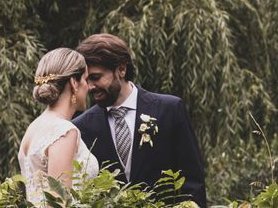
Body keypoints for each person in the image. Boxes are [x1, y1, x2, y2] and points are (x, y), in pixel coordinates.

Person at [73, 33, 207, 207]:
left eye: (96, 77)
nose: (90, 87)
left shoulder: (169, 109)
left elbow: (193, 182)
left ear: (121, 69)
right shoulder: (81, 127)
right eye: (86, 80)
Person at [18, 48, 99, 206]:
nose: (89, 87)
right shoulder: (64, 131)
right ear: (74, 82)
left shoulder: (34, 128)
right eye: (85, 79)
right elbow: (59, 203)